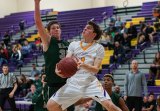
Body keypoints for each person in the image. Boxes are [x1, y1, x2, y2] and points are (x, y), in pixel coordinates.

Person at [47, 21, 122, 111]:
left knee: (110, 106)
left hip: (90, 82)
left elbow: (96, 70)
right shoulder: (73, 44)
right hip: (74, 82)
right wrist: (59, 71)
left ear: (94, 34)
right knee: (51, 105)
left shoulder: (99, 48)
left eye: (89, 28)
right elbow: (65, 61)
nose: (85, 28)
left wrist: (84, 65)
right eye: (85, 27)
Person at [34, 0, 74, 110]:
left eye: (58, 27)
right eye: (53, 28)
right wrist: (36, 3)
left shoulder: (68, 44)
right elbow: (38, 23)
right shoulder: (48, 41)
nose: (56, 29)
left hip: (67, 85)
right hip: (53, 86)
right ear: (49, 31)